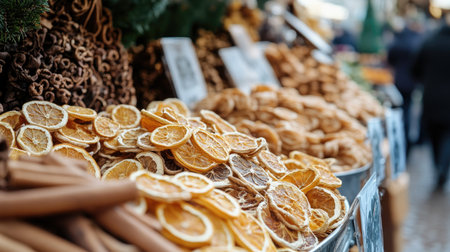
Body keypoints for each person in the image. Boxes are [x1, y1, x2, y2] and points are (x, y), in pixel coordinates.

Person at [412, 13, 450, 188]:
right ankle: (443, 167)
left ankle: (438, 166)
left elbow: (415, 69)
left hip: (431, 97)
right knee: (447, 136)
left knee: (435, 135)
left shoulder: (430, 42)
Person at [387, 18, 423, 156]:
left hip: (398, 81)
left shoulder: (398, 42)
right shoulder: (416, 43)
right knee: (407, 112)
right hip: (411, 82)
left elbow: (390, 59)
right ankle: (405, 144)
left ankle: (397, 141)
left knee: (397, 112)